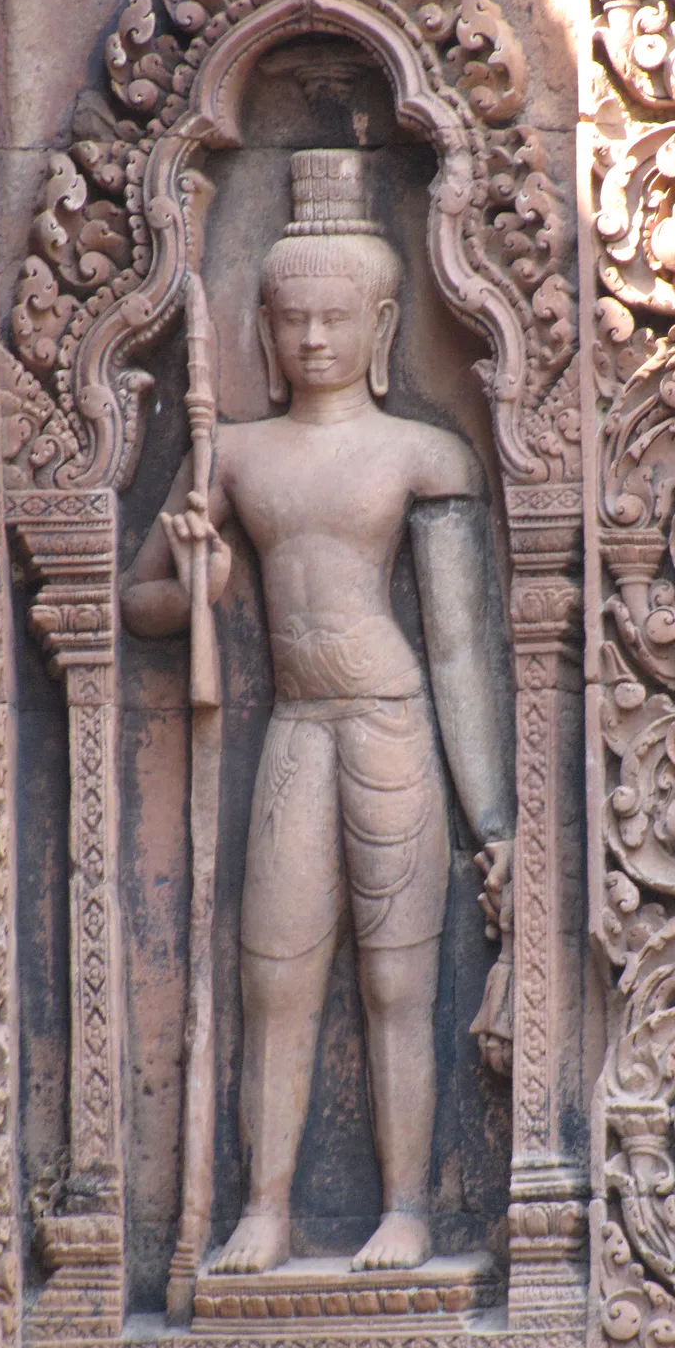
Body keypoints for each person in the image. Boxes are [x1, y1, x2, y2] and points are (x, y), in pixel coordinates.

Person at [121, 149, 515, 1275]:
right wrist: (204, 584)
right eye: (290, 318)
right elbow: (140, 601)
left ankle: (404, 1207)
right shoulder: (230, 455)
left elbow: (458, 650)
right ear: (261, 325)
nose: (311, 340)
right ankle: (267, 1205)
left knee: (398, 979)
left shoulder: (421, 454)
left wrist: (492, 823)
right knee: (275, 974)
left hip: (390, 725)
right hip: (298, 729)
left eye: (336, 318)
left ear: (382, 324)